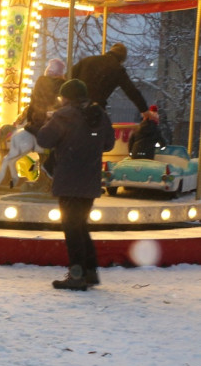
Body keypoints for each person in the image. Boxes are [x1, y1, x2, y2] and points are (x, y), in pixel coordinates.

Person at [35, 79, 115, 291]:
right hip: (89, 181)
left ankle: (77, 275)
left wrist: (47, 122)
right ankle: (89, 272)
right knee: (80, 225)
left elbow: (44, 139)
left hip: (69, 180)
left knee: (72, 229)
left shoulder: (64, 115)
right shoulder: (100, 115)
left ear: (67, 97)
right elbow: (108, 143)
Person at [70, 43, 153, 120]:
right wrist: (144, 110)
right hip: (93, 111)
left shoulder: (88, 60)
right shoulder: (118, 70)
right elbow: (131, 91)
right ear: (122, 59)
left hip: (74, 107)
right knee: (94, 134)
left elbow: (67, 76)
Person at [20, 58, 65, 136]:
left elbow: (33, 103)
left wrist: (30, 120)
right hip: (53, 123)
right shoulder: (62, 85)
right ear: (59, 73)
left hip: (37, 121)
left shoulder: (40, 83)